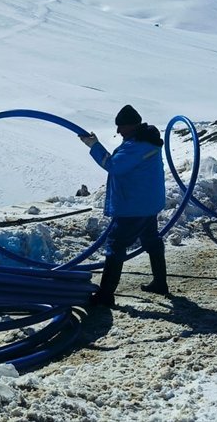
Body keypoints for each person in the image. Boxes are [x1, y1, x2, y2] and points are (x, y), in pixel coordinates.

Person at [79, 105, 168, 307]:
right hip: (147, 203)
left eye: (121, 127)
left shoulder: (136, 146)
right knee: (151, 240)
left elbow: (114, 166)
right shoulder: (146, 141)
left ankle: (105, 295)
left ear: (131, 126)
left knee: (116, 245)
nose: (118, 131)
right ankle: (160, 283)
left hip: (134, 206)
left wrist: (94, 146)